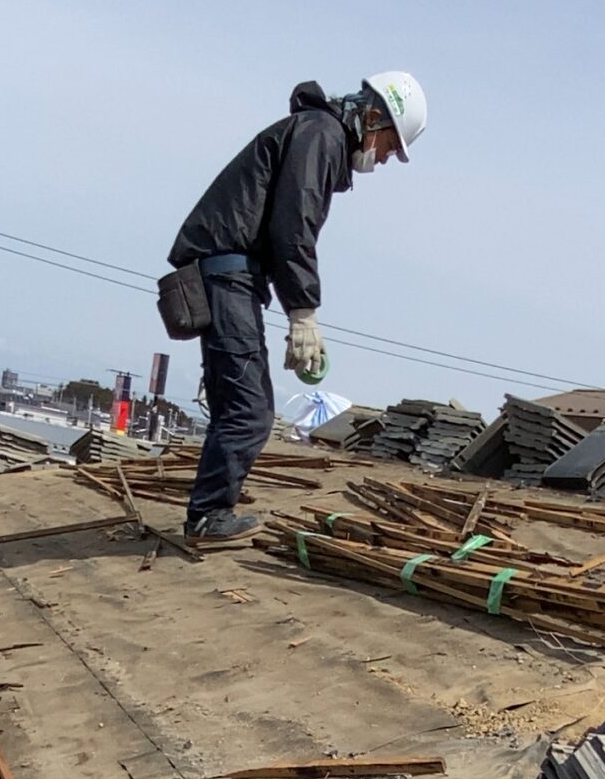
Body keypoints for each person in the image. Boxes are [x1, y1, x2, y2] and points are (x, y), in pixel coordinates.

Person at [166, 70, 425, 539]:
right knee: (250, 409)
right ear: (373, 118)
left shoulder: (313, 132)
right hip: (227, 276)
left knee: (238, 406)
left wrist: (293, 311)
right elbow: (294, 228)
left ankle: (207, 511)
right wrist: (304, 313)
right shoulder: (321, 135)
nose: (386, 158)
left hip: (227, 274)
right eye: (390, 145)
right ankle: (208, 516)